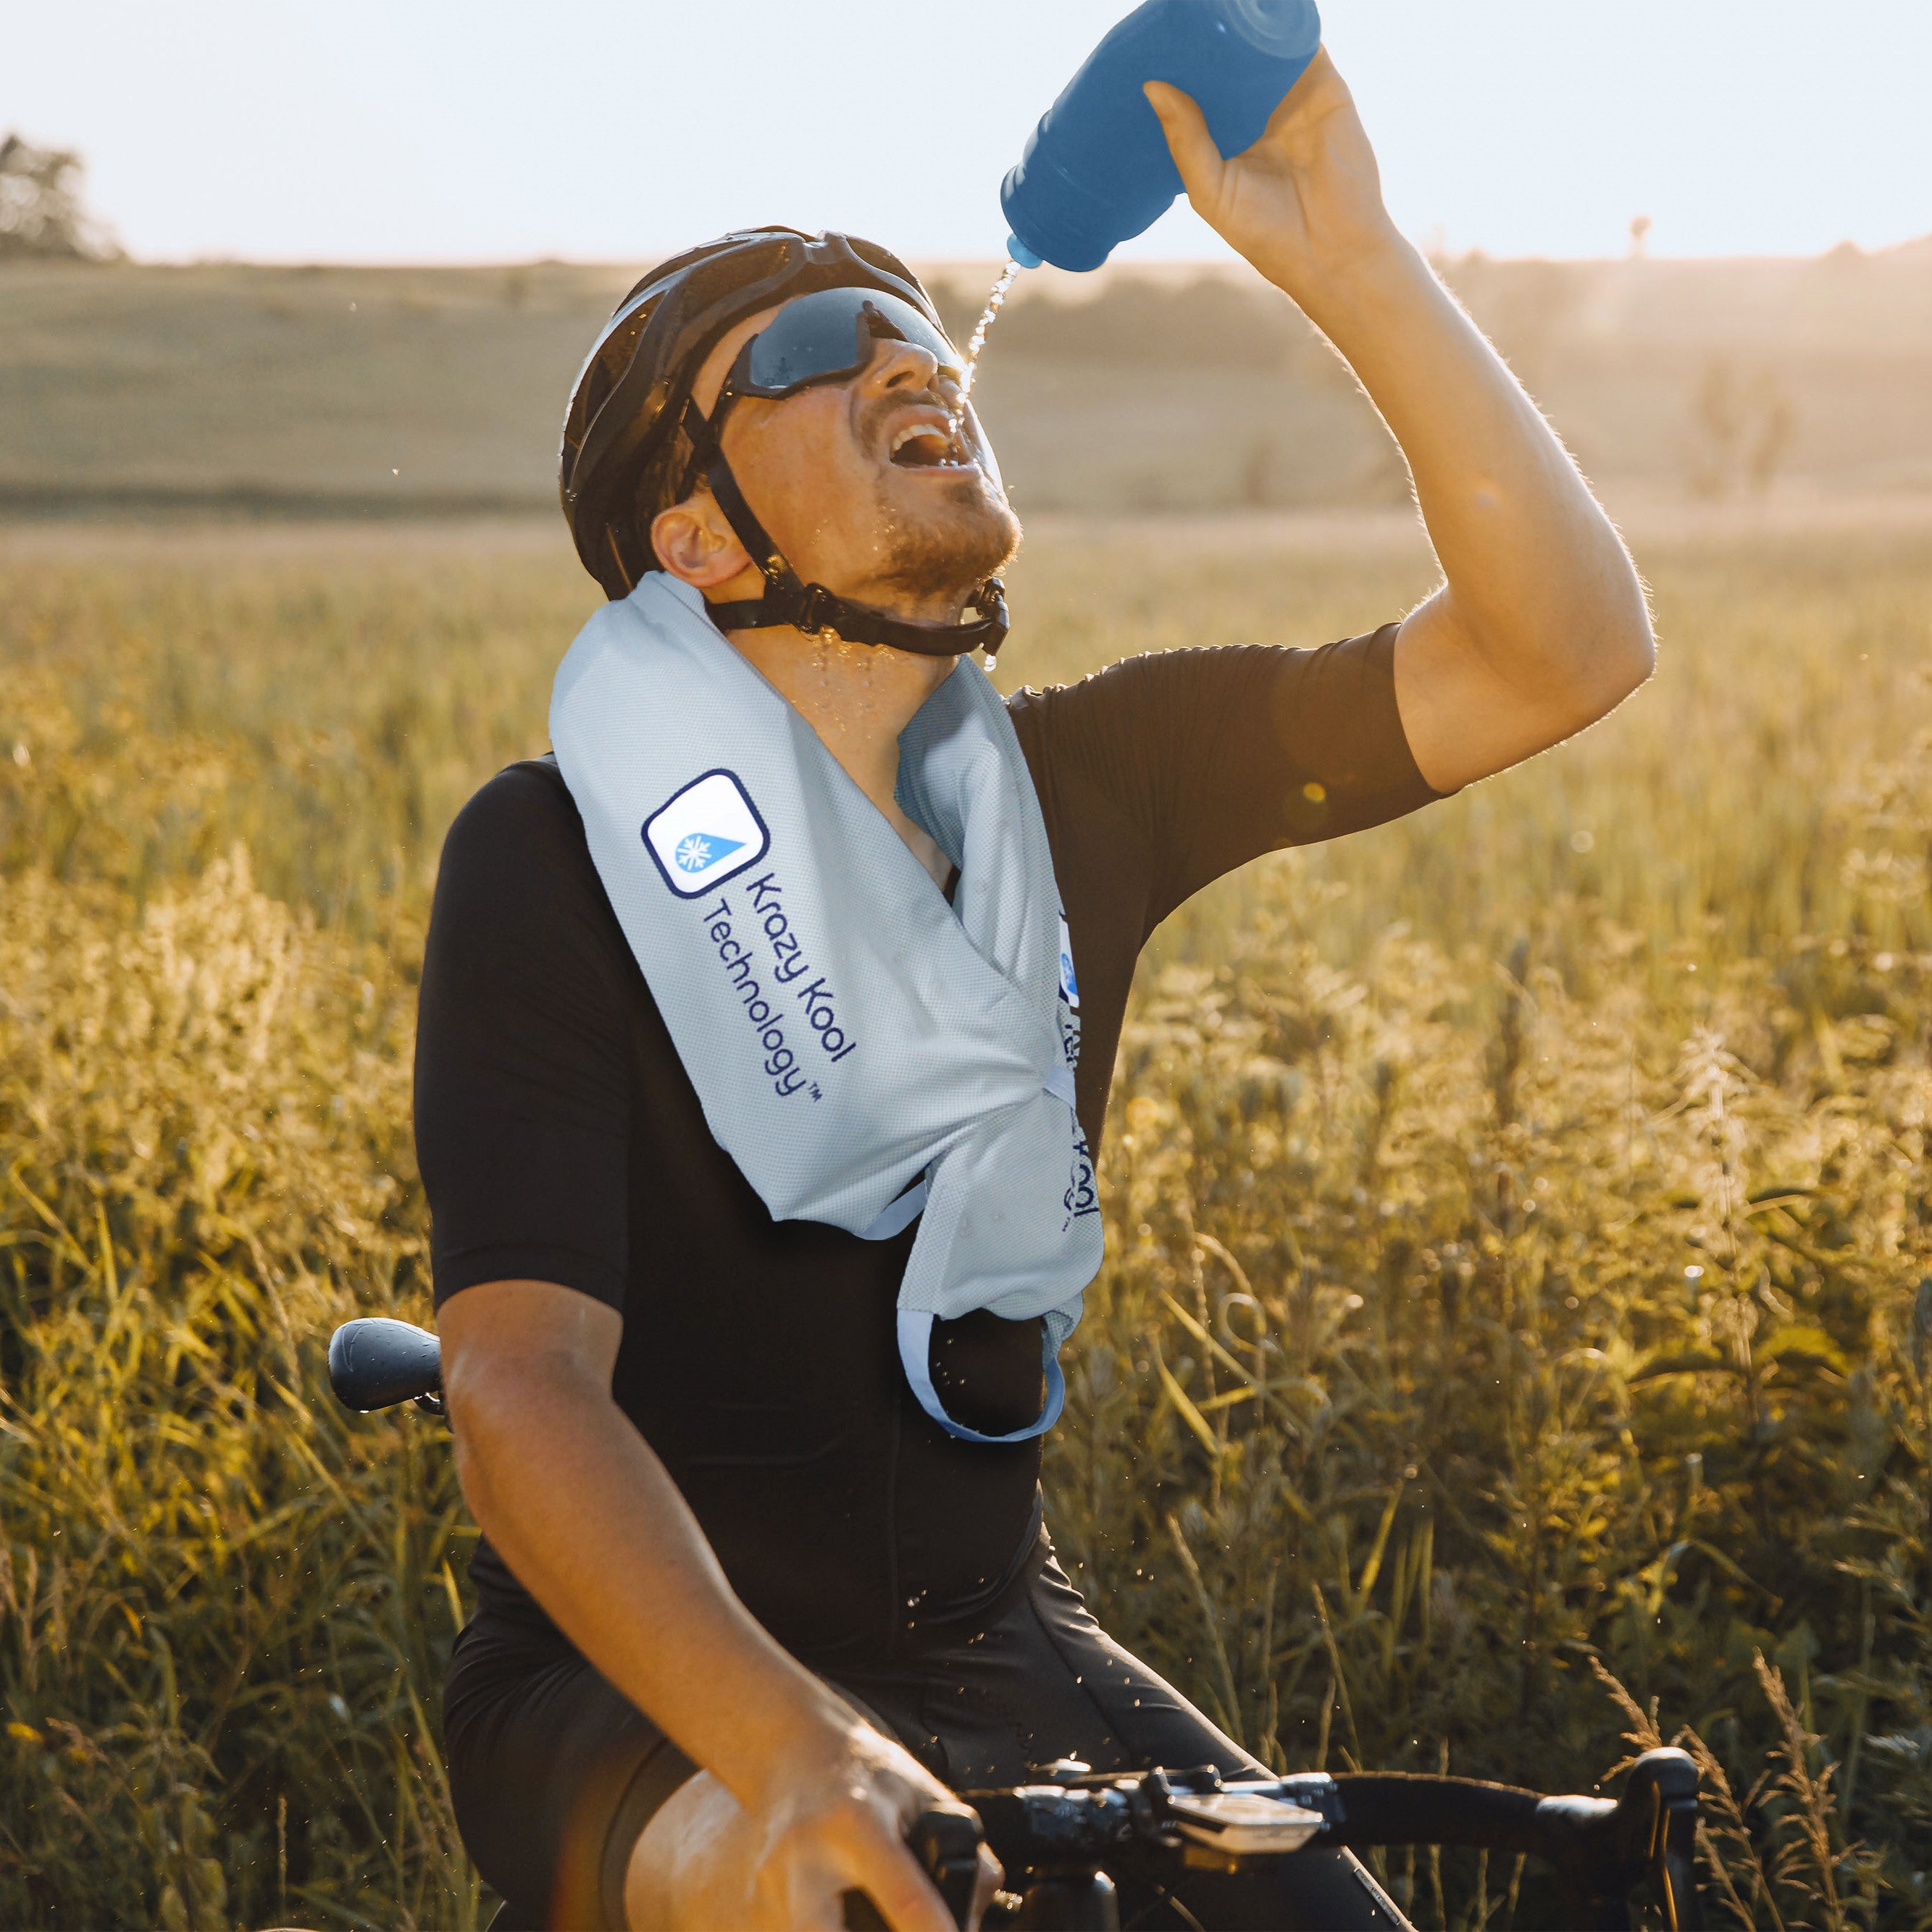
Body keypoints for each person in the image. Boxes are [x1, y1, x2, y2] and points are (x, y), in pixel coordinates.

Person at [415, 50, 1653, 1932]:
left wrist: (1351, 259)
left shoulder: (1096, 781)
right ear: (693, 541)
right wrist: (800, 1750)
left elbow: (1558, 650)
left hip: (998, 1633)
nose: (912, 360)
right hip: (645, 1699)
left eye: (924, 335)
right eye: (825, 341)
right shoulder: (556, 856)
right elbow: (519, 1386)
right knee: (842, 1899)